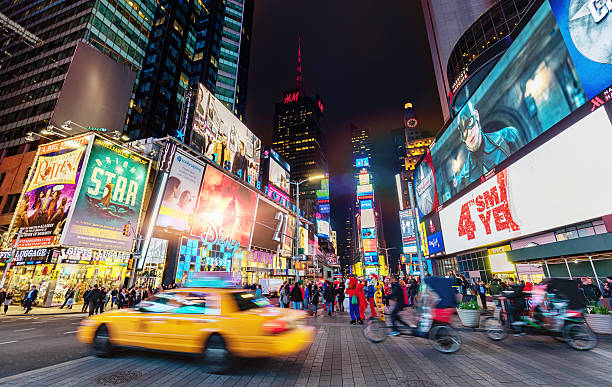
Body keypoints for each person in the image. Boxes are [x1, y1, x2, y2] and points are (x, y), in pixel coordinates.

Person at [453, 101, 523, 190]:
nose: (469, 133)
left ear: (476, 116)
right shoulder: (463, 178)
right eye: (464, 130)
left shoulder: (509, 136)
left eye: (470, 122)